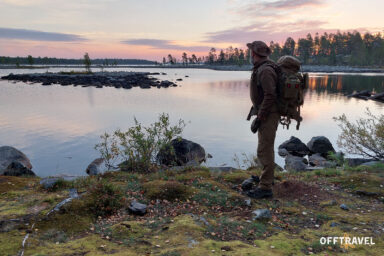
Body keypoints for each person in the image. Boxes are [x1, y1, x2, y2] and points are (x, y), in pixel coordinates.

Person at [246, 41, 280, 199]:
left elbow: (270, 95)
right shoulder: (263, 67)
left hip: (268, 115)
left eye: (250, 52)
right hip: (266, 114)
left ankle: (265, 187)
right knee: (266, 147)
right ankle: (266, 179)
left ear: (254, 54)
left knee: (264, 149)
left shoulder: (265, 70)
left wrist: (260, 118)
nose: (249, 55)